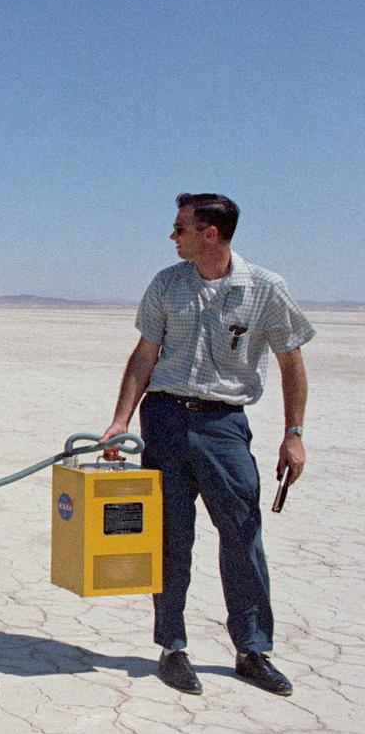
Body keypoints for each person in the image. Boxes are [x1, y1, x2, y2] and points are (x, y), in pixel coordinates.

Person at [100, 193, 313, 697]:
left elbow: (292, 364)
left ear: (209, 233)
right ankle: (172, 647)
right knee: (171, 537)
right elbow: (144, 355)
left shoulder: (266, 289)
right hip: (167, 422)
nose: (172, 236)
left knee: (242, 535)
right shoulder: (167, 284)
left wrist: (294, 433)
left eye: (180, 228)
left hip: (224, 426)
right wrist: (118, 420)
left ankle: (252, 650)